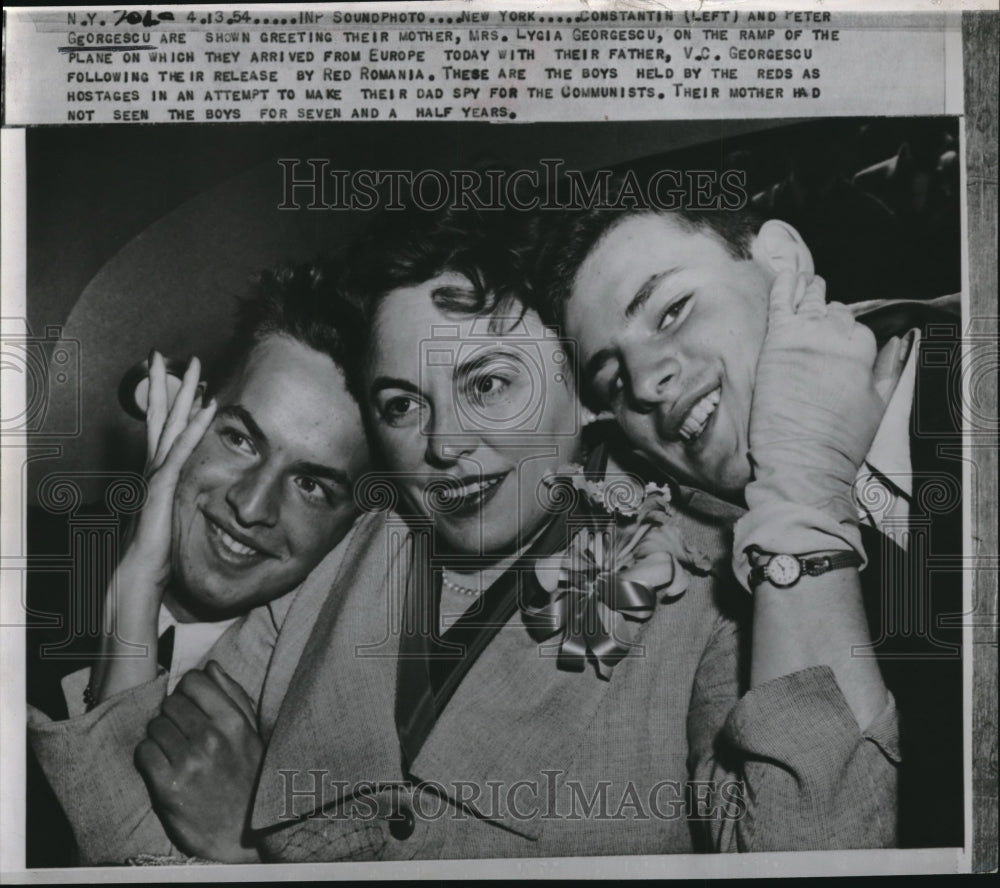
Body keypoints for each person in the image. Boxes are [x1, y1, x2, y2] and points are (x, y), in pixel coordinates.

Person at [35, 205, 901, 863]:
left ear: (585, 394)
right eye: (402, 405)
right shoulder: (340, 563)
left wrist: (266, 861)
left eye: (489, 386)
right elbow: (139, 826)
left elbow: (816, 841)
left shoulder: (713, 593)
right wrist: (135, 588)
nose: (443, 443)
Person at [533, 196, 963, 847]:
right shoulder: (725, 605)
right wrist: (800, 492)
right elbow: (802, 845)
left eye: (672, 310)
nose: (648, 382)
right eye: (614, 381)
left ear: (781, 260)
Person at [28, 263, 372, 862]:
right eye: (241, 439)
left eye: (313, 486)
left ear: (349, 527)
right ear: (191, 414)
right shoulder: (24, 567)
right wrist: (134, 591)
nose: (251, 505)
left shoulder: (323, 732)